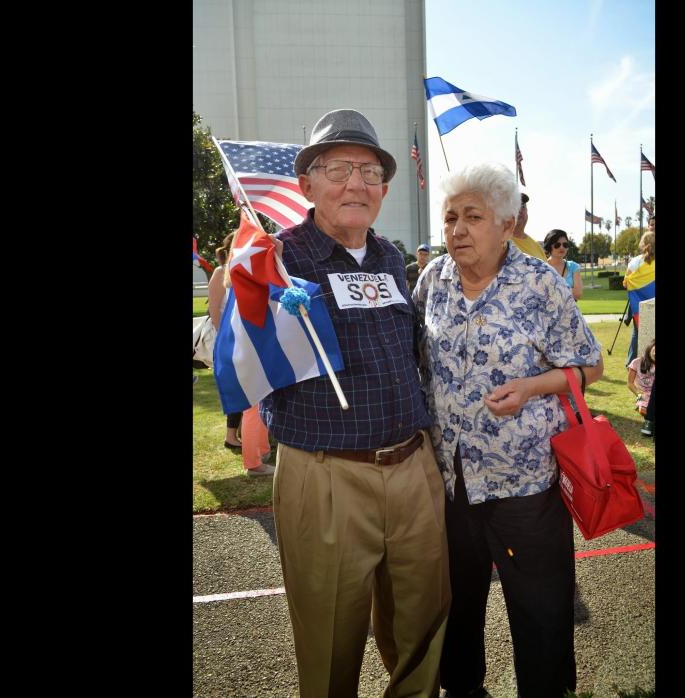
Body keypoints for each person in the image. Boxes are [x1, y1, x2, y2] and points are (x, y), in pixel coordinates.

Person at [262, 108, 450, 698]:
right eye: (338, 167)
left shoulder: (393, 258)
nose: (355, 183)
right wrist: (250, 292)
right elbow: (235, 341)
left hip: (412, 466)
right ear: (306, 185)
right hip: (326, 475)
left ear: (385, 189)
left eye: (369, 171)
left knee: (423, 620)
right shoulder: (275, 259)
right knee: (330, 640)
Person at [412, 162, 604, 698]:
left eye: (473, 216)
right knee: (457, 610)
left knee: (541, 613)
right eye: (451, 217)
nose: (457, 229)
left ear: (506, 223)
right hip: (452, 484)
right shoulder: (433, 280)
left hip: (525, 485)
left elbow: (590, 366)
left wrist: (532, 386)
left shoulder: (540, 282)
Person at [207, 232, 243, 453]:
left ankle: (239, 432)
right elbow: (214, 310)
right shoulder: (221, 272)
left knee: (244, 384)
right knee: (235, 386)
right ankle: (231, 435)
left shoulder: (242, 271)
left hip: (241, 338)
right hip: (228, 339)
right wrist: (224, 338)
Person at [624, 222, 655, 367]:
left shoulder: (635, 262)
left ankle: (634, 365)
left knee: (639, 335)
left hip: (640, 308)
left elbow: (626, 283)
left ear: (643, 244)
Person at [543, 228, 583, 300]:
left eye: (565, 244)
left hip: (569, 310)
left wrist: (552, 291)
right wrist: (568, 291)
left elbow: (577, 294)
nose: (561, 247)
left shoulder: (574, 267)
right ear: (549, 246)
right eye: (557, 245)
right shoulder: (542, 267)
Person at [628, 338, 656, 434]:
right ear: (650, 348)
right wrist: (638, 394)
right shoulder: (637, 362)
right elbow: (630, 383)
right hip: (644, 395)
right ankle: (649, 421)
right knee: (644, 409)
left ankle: (649, 422)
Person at [509, 192, 547, 260]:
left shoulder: (537, 247)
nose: (519, 210)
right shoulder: (497, 243)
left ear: (527, 211)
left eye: (523, 206)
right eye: (515, 206)